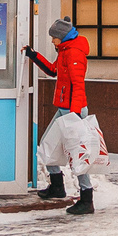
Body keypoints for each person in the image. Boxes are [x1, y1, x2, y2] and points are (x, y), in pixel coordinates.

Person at [26, 16, 94, 215]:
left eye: (54, 38)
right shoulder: (65, 51)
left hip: (73, 110)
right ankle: (57, 186)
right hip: (64, 108)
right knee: (48, 144)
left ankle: (87, 199)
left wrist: (74, 115)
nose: (52, 41)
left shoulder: (73, 53)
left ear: (62, 37)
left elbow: (78, 86)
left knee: (78, 156)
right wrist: (33, 55)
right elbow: (53, 71)